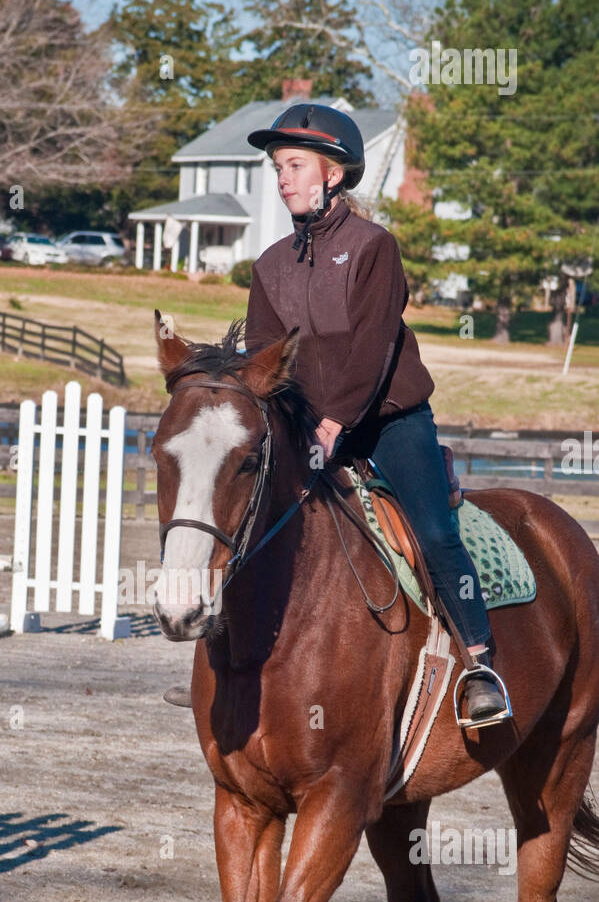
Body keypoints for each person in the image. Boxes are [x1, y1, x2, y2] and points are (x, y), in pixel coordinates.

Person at [164, 102, 511, 725]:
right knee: (250, 517)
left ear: (333, 174)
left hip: (388, 420)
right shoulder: (269, 264)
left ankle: (480, 662)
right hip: (309, 426)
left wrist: (333, 424)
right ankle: (223, 661)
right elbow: (266, 364)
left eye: (294, 166)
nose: (283, 179)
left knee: (433, 532)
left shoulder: (374, 247)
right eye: (277, 168)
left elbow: (372, 349)